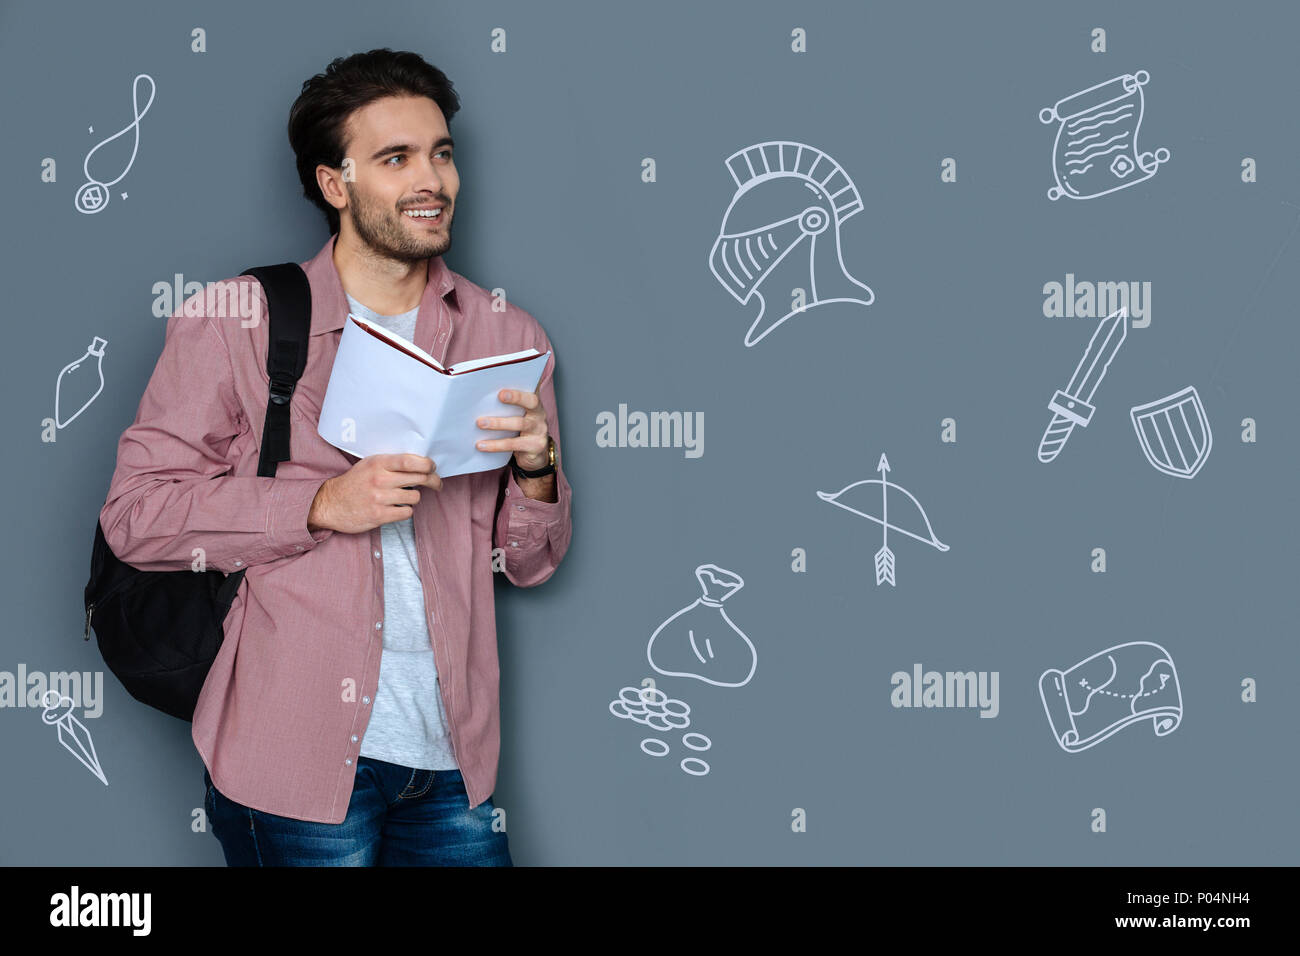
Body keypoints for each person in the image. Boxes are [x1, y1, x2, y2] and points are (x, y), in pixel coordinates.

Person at [99, 48, 573, 866]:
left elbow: (528, 566)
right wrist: (318, 505)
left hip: (455, 763)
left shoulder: (509, 336)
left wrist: (538, 473)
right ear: (334, 183)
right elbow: (135, 518)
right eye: (396, 158)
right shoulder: (236, 318)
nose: (433, 179)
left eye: (441, 152)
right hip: (290, 762)